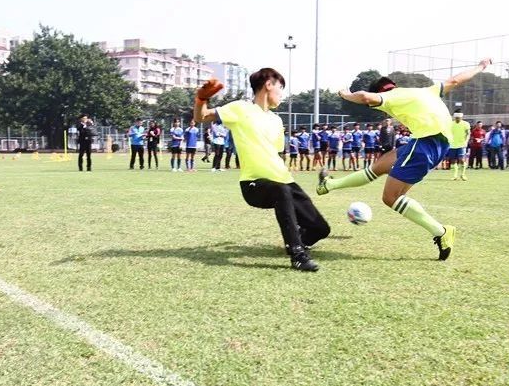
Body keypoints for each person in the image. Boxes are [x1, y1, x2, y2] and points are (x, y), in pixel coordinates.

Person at [318, 58, 493, 261]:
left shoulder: (390, 97)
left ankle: (440, 231)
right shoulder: (425, 91)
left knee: (390, 197)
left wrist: (345, 94)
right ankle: (329, 185)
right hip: (433, 143)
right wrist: (480, 67)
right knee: (379, 166)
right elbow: (455, 81)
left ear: (380, 93)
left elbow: (365, 97)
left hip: (425, 143)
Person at [193, 69, 330, 271]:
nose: (282, 94)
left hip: (285, 181)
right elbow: (201, 116)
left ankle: (297, 238)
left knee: (321, 229)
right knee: (280, 191)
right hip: (254, 184)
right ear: (268, 84)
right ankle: (297, 255)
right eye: (280, 88)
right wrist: (201, 99)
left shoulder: (277, 120)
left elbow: (275, 152)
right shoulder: (240, 108)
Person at [448, 110, 470, 180]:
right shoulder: (450, 124)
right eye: (456, 117)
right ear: (454, 117)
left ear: (461, 117)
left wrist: (466, 141)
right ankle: (455, 175)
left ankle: (463, 175)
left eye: (458, 118)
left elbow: (468, 133)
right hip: (452, 145)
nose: (457, 119)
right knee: (453, 161)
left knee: (461, 160)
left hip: (462, 145)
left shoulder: (466, 124)